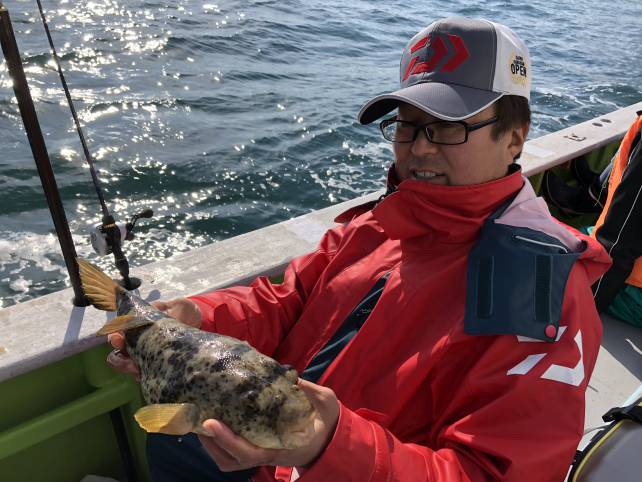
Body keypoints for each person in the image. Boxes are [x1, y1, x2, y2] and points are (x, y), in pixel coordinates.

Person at [108, 17, 611, 482]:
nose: (419, 147)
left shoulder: (538, 293)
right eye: (408, 125)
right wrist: (201, 315)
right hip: (278, 448)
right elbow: (290, 302)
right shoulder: (383, 221)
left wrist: (329, 448)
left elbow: (490, 473)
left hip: (331, 463)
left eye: (448, 127)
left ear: (514, 138)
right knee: (171, 444)